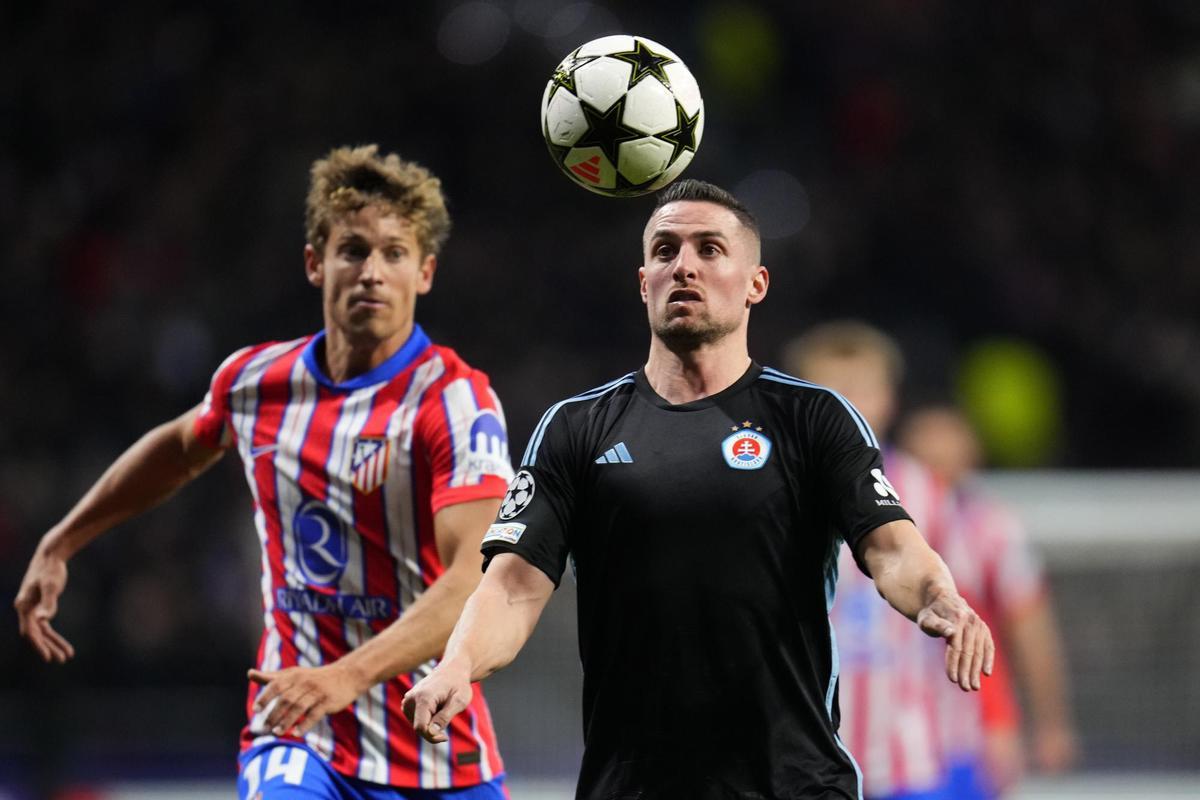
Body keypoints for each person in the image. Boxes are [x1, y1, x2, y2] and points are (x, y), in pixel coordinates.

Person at [402, 179, 995, 800]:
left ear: (755, 285)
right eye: (665, 250)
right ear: (643, 282)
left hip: (792, 784)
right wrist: (459, 664)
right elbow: (514, 587)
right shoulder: (576, 428)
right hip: (630, 787)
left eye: (709, 249)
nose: (683, 265)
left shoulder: (813, 418)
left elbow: (890, 547)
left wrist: (936, 595)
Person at [14, 145, 513, 799]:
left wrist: (348, 676)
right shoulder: (255, 383)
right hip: (299, 733)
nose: (371, 272)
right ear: (315, 263)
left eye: (394, 253)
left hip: (437, 749)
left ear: (424, 273)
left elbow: (476, 579)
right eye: (352, 250)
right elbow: (178, 447)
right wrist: (64, 540)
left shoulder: (454, 401)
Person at [783, 321, 958, 800]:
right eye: (829, 391)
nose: (847, 404)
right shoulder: (766, 489)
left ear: (889, 399)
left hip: (907, 753)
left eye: (860, 389)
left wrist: (990, 722)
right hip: (799, 751)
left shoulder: (927, 491)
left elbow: (967, 611)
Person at [897, 405, 1078, 798]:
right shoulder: (871, 533)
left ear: (972, 452)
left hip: (971, 731)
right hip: (884, 730)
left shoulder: (992, 529)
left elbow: (1031, 627)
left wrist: (1048, 723)